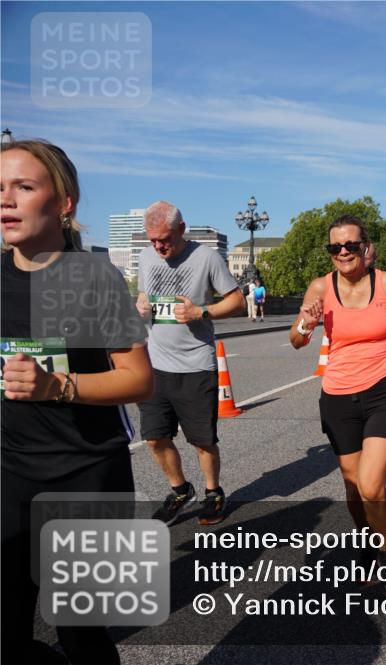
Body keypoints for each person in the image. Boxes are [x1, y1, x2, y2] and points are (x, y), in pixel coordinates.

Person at [1, 139, 153, 665]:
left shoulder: (94, 277)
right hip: (9, 476)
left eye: (24, 186)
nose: (6, 200)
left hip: (86, 478)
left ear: (65, 202)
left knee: (81, 635)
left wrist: (56, 386)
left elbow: (138, 380)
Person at [290, 215, 386, 593]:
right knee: (353, 487)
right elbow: (296, 340)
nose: (343, 252)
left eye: (351, 246)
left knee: (372, 486)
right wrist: (306, 325)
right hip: (337, 398)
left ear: (365, 246)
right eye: (335, 247)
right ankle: (369, 543)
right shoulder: (320, 287)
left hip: (383, 393)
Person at [135, 201, 246, 526]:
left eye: (165, 239)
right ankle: (180, 490)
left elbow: (237, 301)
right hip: (156, 364)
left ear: (181, 229)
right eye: (153, 240)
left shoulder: (206, 257)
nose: (159, 247)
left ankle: (213, 492)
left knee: (202, 441)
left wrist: (201, 312)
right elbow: (144, 296)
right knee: (154, 437)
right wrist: (141, 304)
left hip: (196, 364)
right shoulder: (146, 257)